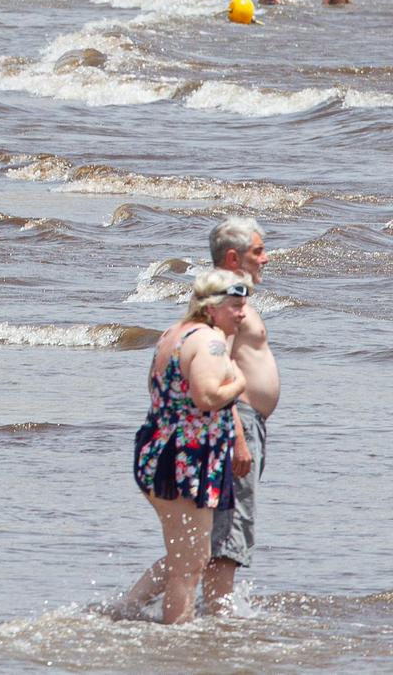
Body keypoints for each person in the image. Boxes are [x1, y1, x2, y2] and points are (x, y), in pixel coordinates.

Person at [113, 269, 248, 625]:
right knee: (189, 564)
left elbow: (156, 391)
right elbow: (206, 397)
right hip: (186, 459)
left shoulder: (172, 335)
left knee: (185, 555)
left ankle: (127, 609)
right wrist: (240, 382)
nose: (242, 313)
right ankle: (177, 638)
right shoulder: (210, 342)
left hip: (158, 449)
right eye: (235, 306)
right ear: (212, 307)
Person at [198, 219, 277, 612]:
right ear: (234, 257)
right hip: (238, 423)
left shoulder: (233, 296)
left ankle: (205, 610)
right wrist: (239, 439)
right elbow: (219, 368)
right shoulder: (228, 300)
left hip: (247, 422)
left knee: (223, 529)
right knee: (229, 532)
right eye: (258, 251)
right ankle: (218, 620)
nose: (266, 258)